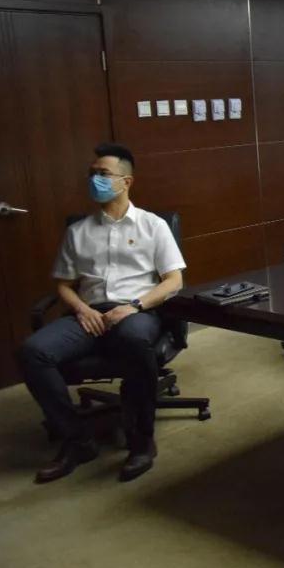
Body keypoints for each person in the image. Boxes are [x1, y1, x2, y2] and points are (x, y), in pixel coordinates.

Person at [18, 143, 186, 483]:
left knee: (134, 340)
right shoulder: (78, 232)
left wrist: (135, 306)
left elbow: (174, 280)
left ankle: (141, 441)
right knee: (32, 352)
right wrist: (81, 309)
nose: (95, 180)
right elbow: (64, 284)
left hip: (136, 311)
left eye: (103, 174)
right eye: (92, 174)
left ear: (127, 181)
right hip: (89, 314)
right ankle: (77, 440)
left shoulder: (153, 226)